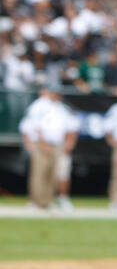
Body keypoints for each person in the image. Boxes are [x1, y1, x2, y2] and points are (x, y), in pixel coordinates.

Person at [19, 81, 77, 211]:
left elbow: (70, 126)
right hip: (41, 143)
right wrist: (43, 143)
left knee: (53, 173)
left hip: (56, 143)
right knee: (40, 172)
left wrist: (68, 142)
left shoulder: (61, 107)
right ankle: (36, 201)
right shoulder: (39, 105)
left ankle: (47, 201)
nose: (56, 95)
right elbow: (34, 126)